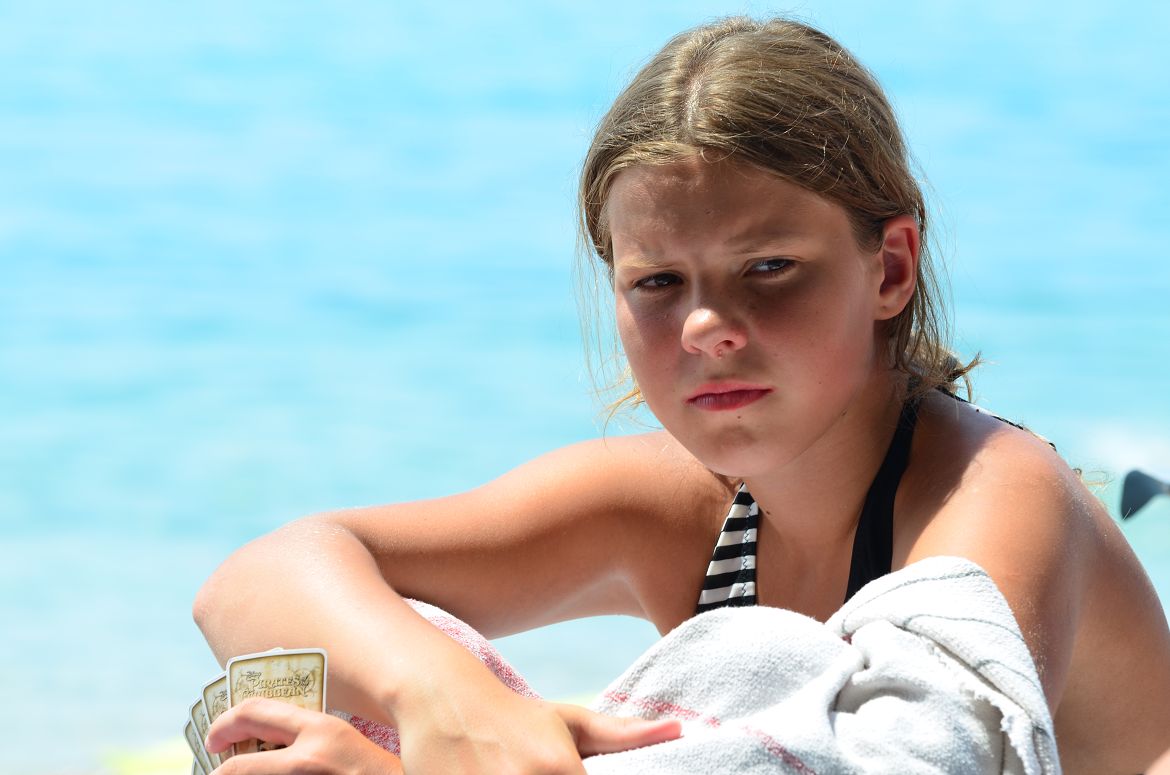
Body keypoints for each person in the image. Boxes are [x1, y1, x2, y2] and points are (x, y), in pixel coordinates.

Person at [195, 16, 1170, 774]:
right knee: (363, 666)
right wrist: (448, 702)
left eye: (769, 266)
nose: (706, 325)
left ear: (890, 268)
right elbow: (258, 578)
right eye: (658, 281)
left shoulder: (992, 494)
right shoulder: (686, 509)